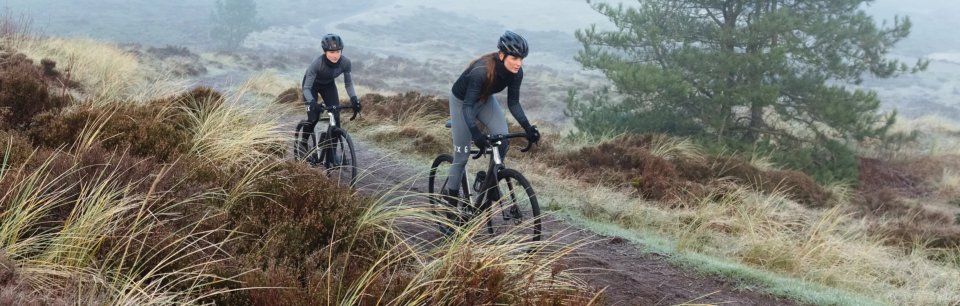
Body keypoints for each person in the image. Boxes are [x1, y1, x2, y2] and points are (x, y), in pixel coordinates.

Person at [443, 30, 541, 206]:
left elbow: (514, 104)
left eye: (521, 58)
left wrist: (528, 128)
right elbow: (467, 107)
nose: (519, 63)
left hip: (485, 100)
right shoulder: (481, 71)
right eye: (514, 58)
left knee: (502, 139)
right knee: (462, 156)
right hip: (462, 103)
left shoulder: (516, 73)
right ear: (502, 55)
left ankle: (489, 181)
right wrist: (475, 134)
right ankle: (449, 205)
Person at [299, 33, 361, 159]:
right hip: (312, 86)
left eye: (338, 51)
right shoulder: (317, 64)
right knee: (313, 118)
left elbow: (348, 83)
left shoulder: (345, 63)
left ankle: (332, 153)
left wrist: (354, 99)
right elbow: (306, 88)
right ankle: (303, 143)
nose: (335, 55)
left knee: (336, 117)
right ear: (325, 51)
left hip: (328, 85)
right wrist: (311, 102)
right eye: (331, 52)